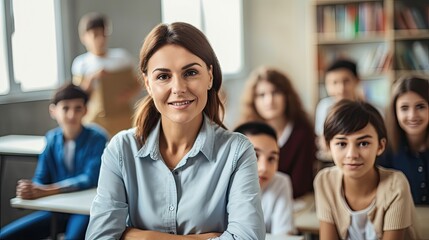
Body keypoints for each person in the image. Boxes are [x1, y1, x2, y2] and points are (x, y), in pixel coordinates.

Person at [85, 22, 265, 240]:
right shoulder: (121, 149)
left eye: (190, 72)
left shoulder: (237, 151)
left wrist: (140, 237)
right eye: (163, 76)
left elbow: (248, 238)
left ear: (209, 76)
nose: (179, 88)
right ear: (148, 84)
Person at [0, 83, 108, 240]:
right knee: (5, 236)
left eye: (78, 108)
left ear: (85, 111)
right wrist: (29, 189)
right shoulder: (51, 138)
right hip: (55, 209)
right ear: (53, 111)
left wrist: (45, 190)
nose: (71, 115)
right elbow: (41, 177)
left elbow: (89, 178)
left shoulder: (97, 137)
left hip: (84, 211)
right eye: (65, 108)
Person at [314, 99, 418, 240]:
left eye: (363, 143)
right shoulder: (324, 181)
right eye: (341, 144)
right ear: (328, 146)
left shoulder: (396, 185)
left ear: (380, 146)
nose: (352, 155)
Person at [239, 66, 316, 200]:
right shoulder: (245, 132)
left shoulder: (303, 132)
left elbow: (300, 185)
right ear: (253, 101)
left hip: (297, 203)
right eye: (261, 95)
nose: (269, 101)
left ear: (287, 96)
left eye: (275, 93)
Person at [72, 12, 140, 137]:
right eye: (95, 35)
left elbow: (138, 82)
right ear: (84, 37)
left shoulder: (122, 57)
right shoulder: (81, 63)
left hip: (123, 118)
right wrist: (91, 78)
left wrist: (127, 95)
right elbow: (79, 96)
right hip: (95, 121)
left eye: (103, 34)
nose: (100, 39)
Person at [234, 121, 296, 235]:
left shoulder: (280, 182)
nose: (264, 168)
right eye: (254, 155)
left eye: (271, 158)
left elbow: (283, 236)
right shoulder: (218, 183)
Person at [378, 76, 429, 205]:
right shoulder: (383, 149)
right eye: (404, 108)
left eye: (420, 107)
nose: (412, 115)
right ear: (395, 112)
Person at [314, 59, 363, 160]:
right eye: (334, 82)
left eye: (346, 81)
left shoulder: (369, 109)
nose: (341, 88)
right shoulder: (324, 107)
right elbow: (323, 141)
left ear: (357, 80)